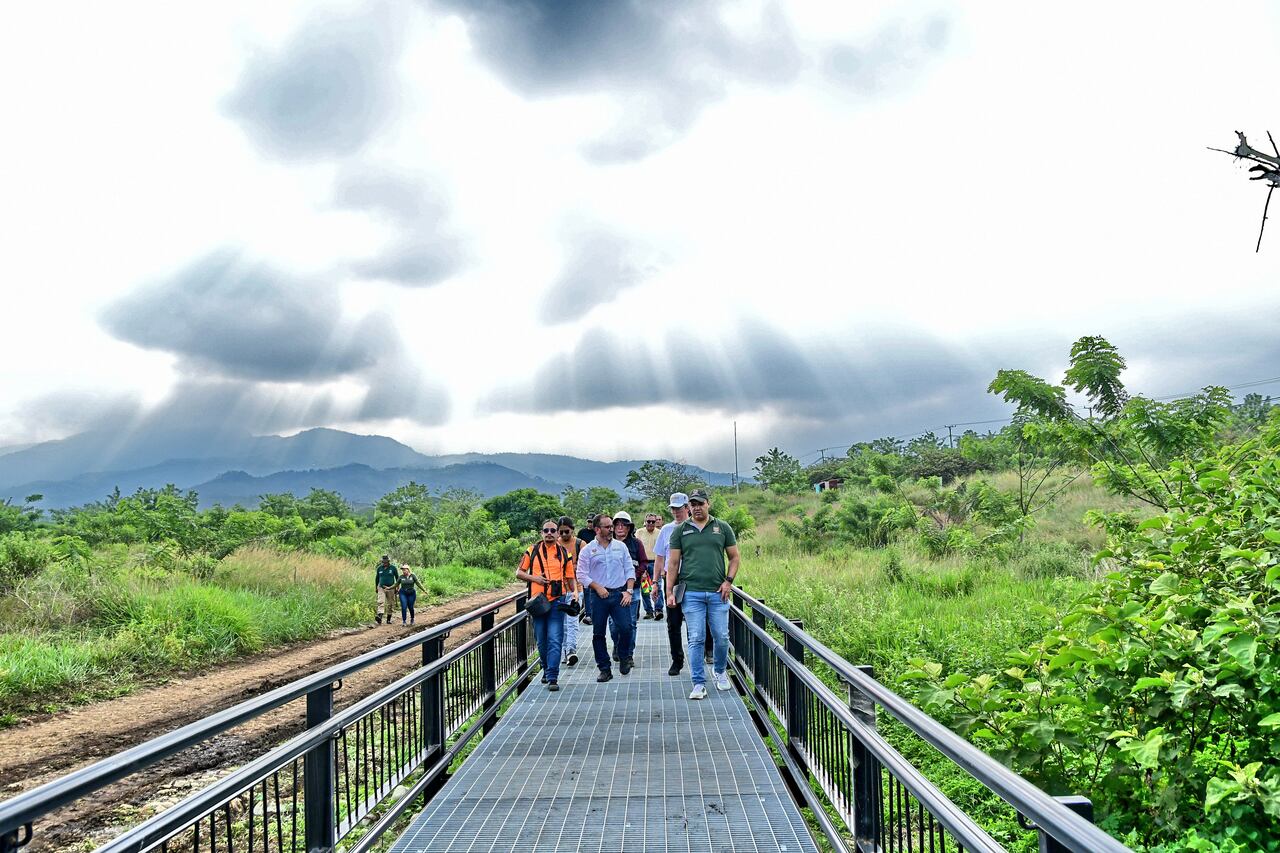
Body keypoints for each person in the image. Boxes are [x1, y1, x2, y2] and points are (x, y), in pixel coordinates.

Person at [665, 489, 740, 700]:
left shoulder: (722, 527)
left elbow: (734, 557)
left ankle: (720, 671)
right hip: (692, 594)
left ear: (708, 504)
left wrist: (729, 581)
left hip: (718, 593)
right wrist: (669, 592)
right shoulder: (680, 531)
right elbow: (673, 563)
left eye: (700, 503)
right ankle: (698, 683)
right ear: (689, 507)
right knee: (696, 637)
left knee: (721, 636)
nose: (696, 507)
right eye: (693, 504)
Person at [515, 519, 576, 692]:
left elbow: (570, 577)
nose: (549, 533)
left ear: (557, 533)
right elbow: (519, 572)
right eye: (546, 530)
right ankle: (545, 666)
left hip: (558, 600)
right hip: (538, 602)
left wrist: (575, 595)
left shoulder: (564, 553)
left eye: (553, 530)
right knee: (541, 640)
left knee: (555, 639)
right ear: (541, 533)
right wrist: (535, 578)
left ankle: (552, 676)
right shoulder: (532, 551)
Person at [575, 513, 636, 682]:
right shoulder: (588, 550)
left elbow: (629, 569)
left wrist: (629, 590)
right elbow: (581, 574)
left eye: (611, 526)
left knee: (626, 628)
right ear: (597, 529)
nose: (612, 529)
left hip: (618, 594)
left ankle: (624, 656)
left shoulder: (620, 547)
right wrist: (597, 586)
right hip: (598, 596)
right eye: (607, 527)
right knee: (598, 633)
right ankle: (604, 668)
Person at [653, 494, 709, 676]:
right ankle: (677, 660)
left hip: (693, 579)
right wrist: (655, 583)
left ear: (688, 508)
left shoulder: (697, 527)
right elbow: (660, 558)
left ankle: (699, 656)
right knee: (673, 622)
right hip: (673, 580)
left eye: (680, 508)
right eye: (673, 508)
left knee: (696, 620)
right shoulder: (666, 530)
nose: (676, 512)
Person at [612, 511, 648, 667]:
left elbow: (643, 562)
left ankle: (628, 654)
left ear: (629, 527)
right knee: (614, 625)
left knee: (630, 623)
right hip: (612, 590)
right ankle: (618, 645)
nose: (620, 527)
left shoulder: (636, 543)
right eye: (617, 524)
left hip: (632, 589)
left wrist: (633, 576)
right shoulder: (607, 543)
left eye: (623, 524)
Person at [556, 516, 587, 667]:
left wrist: (570, 568)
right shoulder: (555, 545)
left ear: (572, 530)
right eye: (560, 532)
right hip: (559, 590)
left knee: (572, 622)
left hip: (576, 588)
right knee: (562, 624)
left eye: (566, 531)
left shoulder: (580, 544)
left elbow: (585, 565)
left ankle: (571, 651)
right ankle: (564, 653)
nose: (563, 535)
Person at [636, 512, 663, 621]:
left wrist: (663, 568)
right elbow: (637, 550)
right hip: (644, 563)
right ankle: (649, 611)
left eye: (653, 521)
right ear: (645, 522)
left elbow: (663, 551)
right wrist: (641, 568)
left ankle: (658, 609)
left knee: (658, 586)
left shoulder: (660, 533)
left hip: (656, 562)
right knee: (645, 589)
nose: (651, 523)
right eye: (649, 521)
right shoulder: (639, 532)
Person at [374, 555, 399, 626]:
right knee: (380, 601)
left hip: (391, 587)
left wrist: (397, 587)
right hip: (381, 587)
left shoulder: (393, 568)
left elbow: (397, 578)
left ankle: (388, 619)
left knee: (390, 604)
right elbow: (377, 578)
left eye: (385, 562)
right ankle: (380, 617)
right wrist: (376, 587)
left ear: (388, 561)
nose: (384, 563)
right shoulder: (379, 568)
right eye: (383, 562)